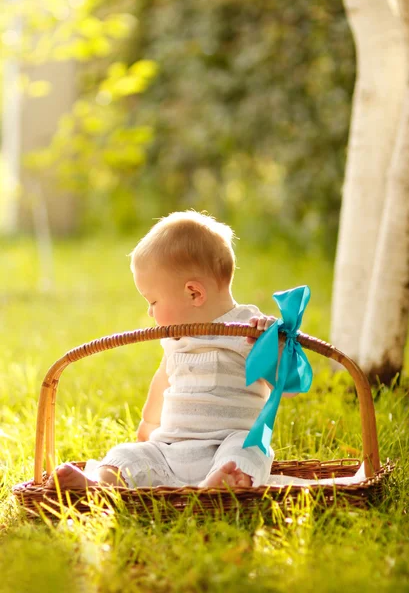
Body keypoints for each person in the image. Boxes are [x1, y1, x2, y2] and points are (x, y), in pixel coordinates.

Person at [46, 210, 293, 491]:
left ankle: (225, 482)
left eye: (153, 301)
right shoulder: (175, 339)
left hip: (226, 445)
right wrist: (148, 424)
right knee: (125, 454)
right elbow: (163, 381)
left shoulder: (247, 330)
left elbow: (286, 386)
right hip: (171, 448)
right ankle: (100, 485)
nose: (150, 312)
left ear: (193, 294)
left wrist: (274, 345)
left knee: (249, 448)